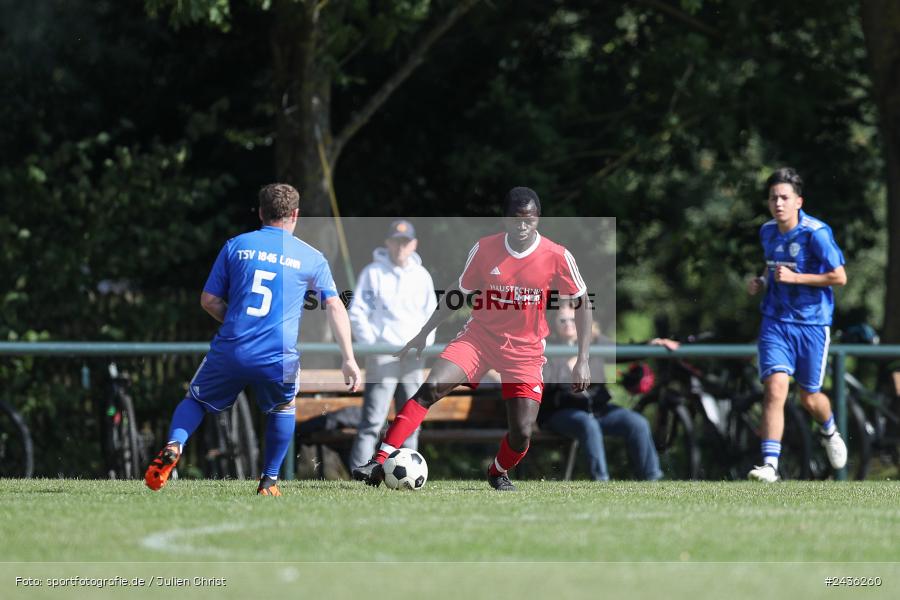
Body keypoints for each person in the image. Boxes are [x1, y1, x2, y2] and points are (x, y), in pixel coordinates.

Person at [352, 186, 592, 491]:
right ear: (504, 218)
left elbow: (582, 302)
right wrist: (424, 331)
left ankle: (497, 470)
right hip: (479, 339)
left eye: (529, 220)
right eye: (516, 219)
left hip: (525, 351)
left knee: (522, 433)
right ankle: (379, 460)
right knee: (430, 389)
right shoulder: (485, 249)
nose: (522, 226)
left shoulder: (557, 255)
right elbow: (458, 292)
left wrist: (583, 358)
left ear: (538, 219)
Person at [144, 183, 361, 496]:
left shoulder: (237, 245)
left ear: (261, 212)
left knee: (196, 401)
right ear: (295, 215)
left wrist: (238, 322)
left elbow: (208, 300)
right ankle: (268, 481)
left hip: (233, 347)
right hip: (277, 355)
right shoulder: (311, 258)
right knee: (284, 406)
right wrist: (349, 358)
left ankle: (174, 445)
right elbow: (335, 306)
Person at [746, 167, 848, 482]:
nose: (778, 203)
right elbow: (772, 265)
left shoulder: (816, 233)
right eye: (773, 198)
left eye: (784, 197)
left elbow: (839, 277)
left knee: (809, 397)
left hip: (812, 324)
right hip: (775, 321)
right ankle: (770, 466)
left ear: (798, 202)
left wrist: (796, 278)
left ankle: (829, 430)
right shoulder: (767, 232)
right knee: (775, 388)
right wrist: (762, 281)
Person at [538, 303, 664, 481]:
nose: (568, 324)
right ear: (554, 323)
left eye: (574, 320)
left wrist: (650, 345)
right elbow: (545, 384)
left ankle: (652, 478)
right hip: (561, 412)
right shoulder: (547, 347)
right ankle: (601, 480)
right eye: (563, 320)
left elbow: (622, 352)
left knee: (637, 423)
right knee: (588, 424)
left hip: (598, 410)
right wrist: (568, 366)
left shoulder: (595, 342)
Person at [348, 220, 437, 470]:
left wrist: (423, 344)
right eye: (396, 241)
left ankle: (409, 473)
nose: (400, 247)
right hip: (383, 357)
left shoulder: (422, 276)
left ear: (414, 244)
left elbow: (432, 315)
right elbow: (357, 312)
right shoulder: (373, 273)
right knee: (373, 422)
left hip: (413, 359)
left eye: (405, 242)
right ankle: (360, 473)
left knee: (411, 422)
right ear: (387, 242)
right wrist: (373, 345)